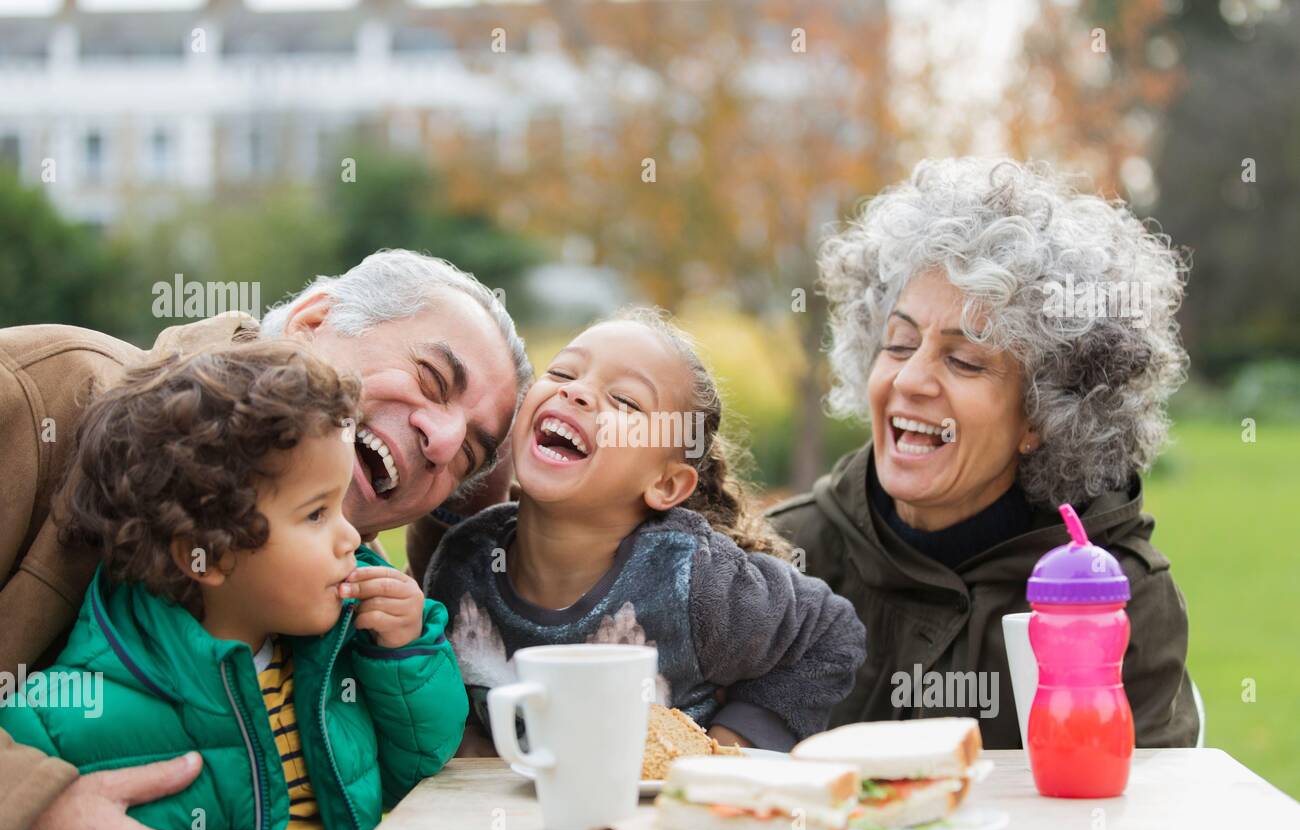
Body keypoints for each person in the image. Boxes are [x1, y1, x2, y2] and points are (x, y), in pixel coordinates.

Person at [0, 248, 526, 830]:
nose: (442, 443)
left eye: (466, 456)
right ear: (310, 321)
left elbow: (415, 754)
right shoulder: (37, 394)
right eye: (433, 379)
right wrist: (24, 817)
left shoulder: (344, 598)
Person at [768, 157, 1200, 749]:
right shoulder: (780, 561)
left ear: (1043, 416)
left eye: (964, 360)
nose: (909, 380)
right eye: (898, 344)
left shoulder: (1111, 598)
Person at [425, 308, 866, 754]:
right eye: (562, 372)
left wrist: (723, 751)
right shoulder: (464, 561)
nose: (576, 393)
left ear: (666, 484)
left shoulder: (693, 578)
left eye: (627, 401)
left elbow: (829, 631)